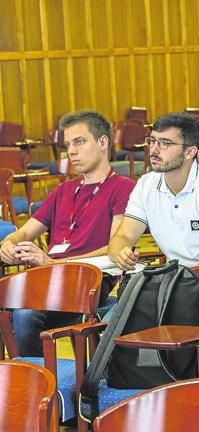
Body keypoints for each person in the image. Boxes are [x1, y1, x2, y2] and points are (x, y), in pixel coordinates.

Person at [0, 110, 136, 356]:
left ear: (103, 142)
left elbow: (115, 247)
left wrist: (55, 263)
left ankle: (37, 384)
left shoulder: (124, 188)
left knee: (25, 314)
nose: (71, 151)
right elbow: (24, 232)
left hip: (88, 281)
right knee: (12, 304)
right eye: (67, 145)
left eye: (79, 142)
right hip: (45, 280)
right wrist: (9, 245)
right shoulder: (64, 190)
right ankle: (18, 381)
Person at [109, 112, 199, 271]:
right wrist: (120, 254)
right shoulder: (145, 185)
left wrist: (176, 282)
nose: (154, 150)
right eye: (152, 141)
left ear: (190, 152)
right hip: (178, 282)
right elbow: (123, 237)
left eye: (165, 143)